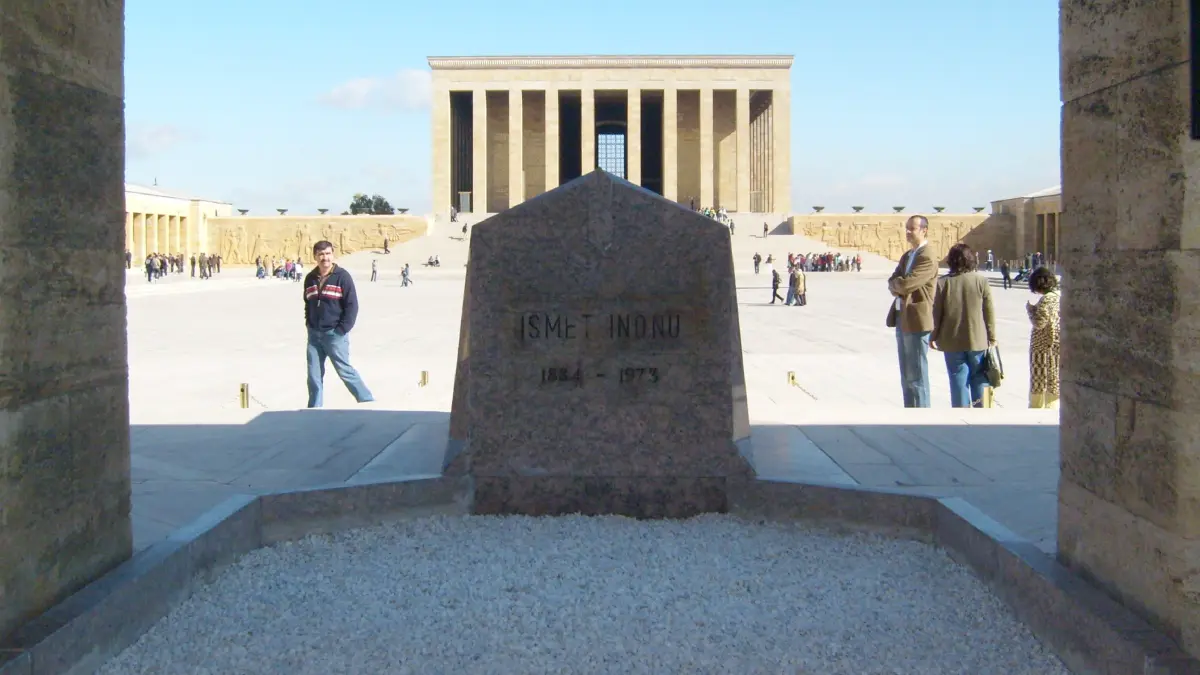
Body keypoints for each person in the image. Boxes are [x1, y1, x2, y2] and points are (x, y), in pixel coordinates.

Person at [303, 240, 374, 409]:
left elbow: (352, 306)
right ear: (315, 256)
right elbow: (307, 303)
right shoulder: (310, 278)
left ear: (332, 255)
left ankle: (367, 401)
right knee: (313, 374)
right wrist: (309, 323)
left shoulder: (342, 277)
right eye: (321, 254)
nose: (324, 258)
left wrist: (341, 330)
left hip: (334, 335)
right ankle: (314, 408)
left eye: (327, 254)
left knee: (345, 371)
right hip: (314, 335)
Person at [931, 243, 996, 408]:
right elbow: (988, 312)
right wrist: (992, 336)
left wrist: (933, 336)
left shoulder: (942, 283)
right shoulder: (981, 281)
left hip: (951, 339)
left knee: (958, 379)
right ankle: (983, 410)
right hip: (978, 339)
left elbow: (937, 313)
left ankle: (961, 413)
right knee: (980, 377)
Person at [886, 215, 938, 408]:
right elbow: (893, 280)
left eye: (912, 229)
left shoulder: (927, 256)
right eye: (907, 228)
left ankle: (922, 414)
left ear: (924, 230)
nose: (908, 232)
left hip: (917, 318)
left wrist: (898, 285)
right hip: (902, 316)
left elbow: (907, 283)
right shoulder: (908, 256)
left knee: (917, 373)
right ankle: (910, 411)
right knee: (906, 373)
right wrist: (897, 285)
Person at [1026, 266, 1061, 409]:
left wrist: (1030, 310)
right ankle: (1052, 405)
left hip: (1042, 346)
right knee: (1054, 378)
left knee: (1039, 379)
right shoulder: (1059, 297)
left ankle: (1039, 407)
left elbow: (1039, 323)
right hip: (1057, 343)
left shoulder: (1046, 300)